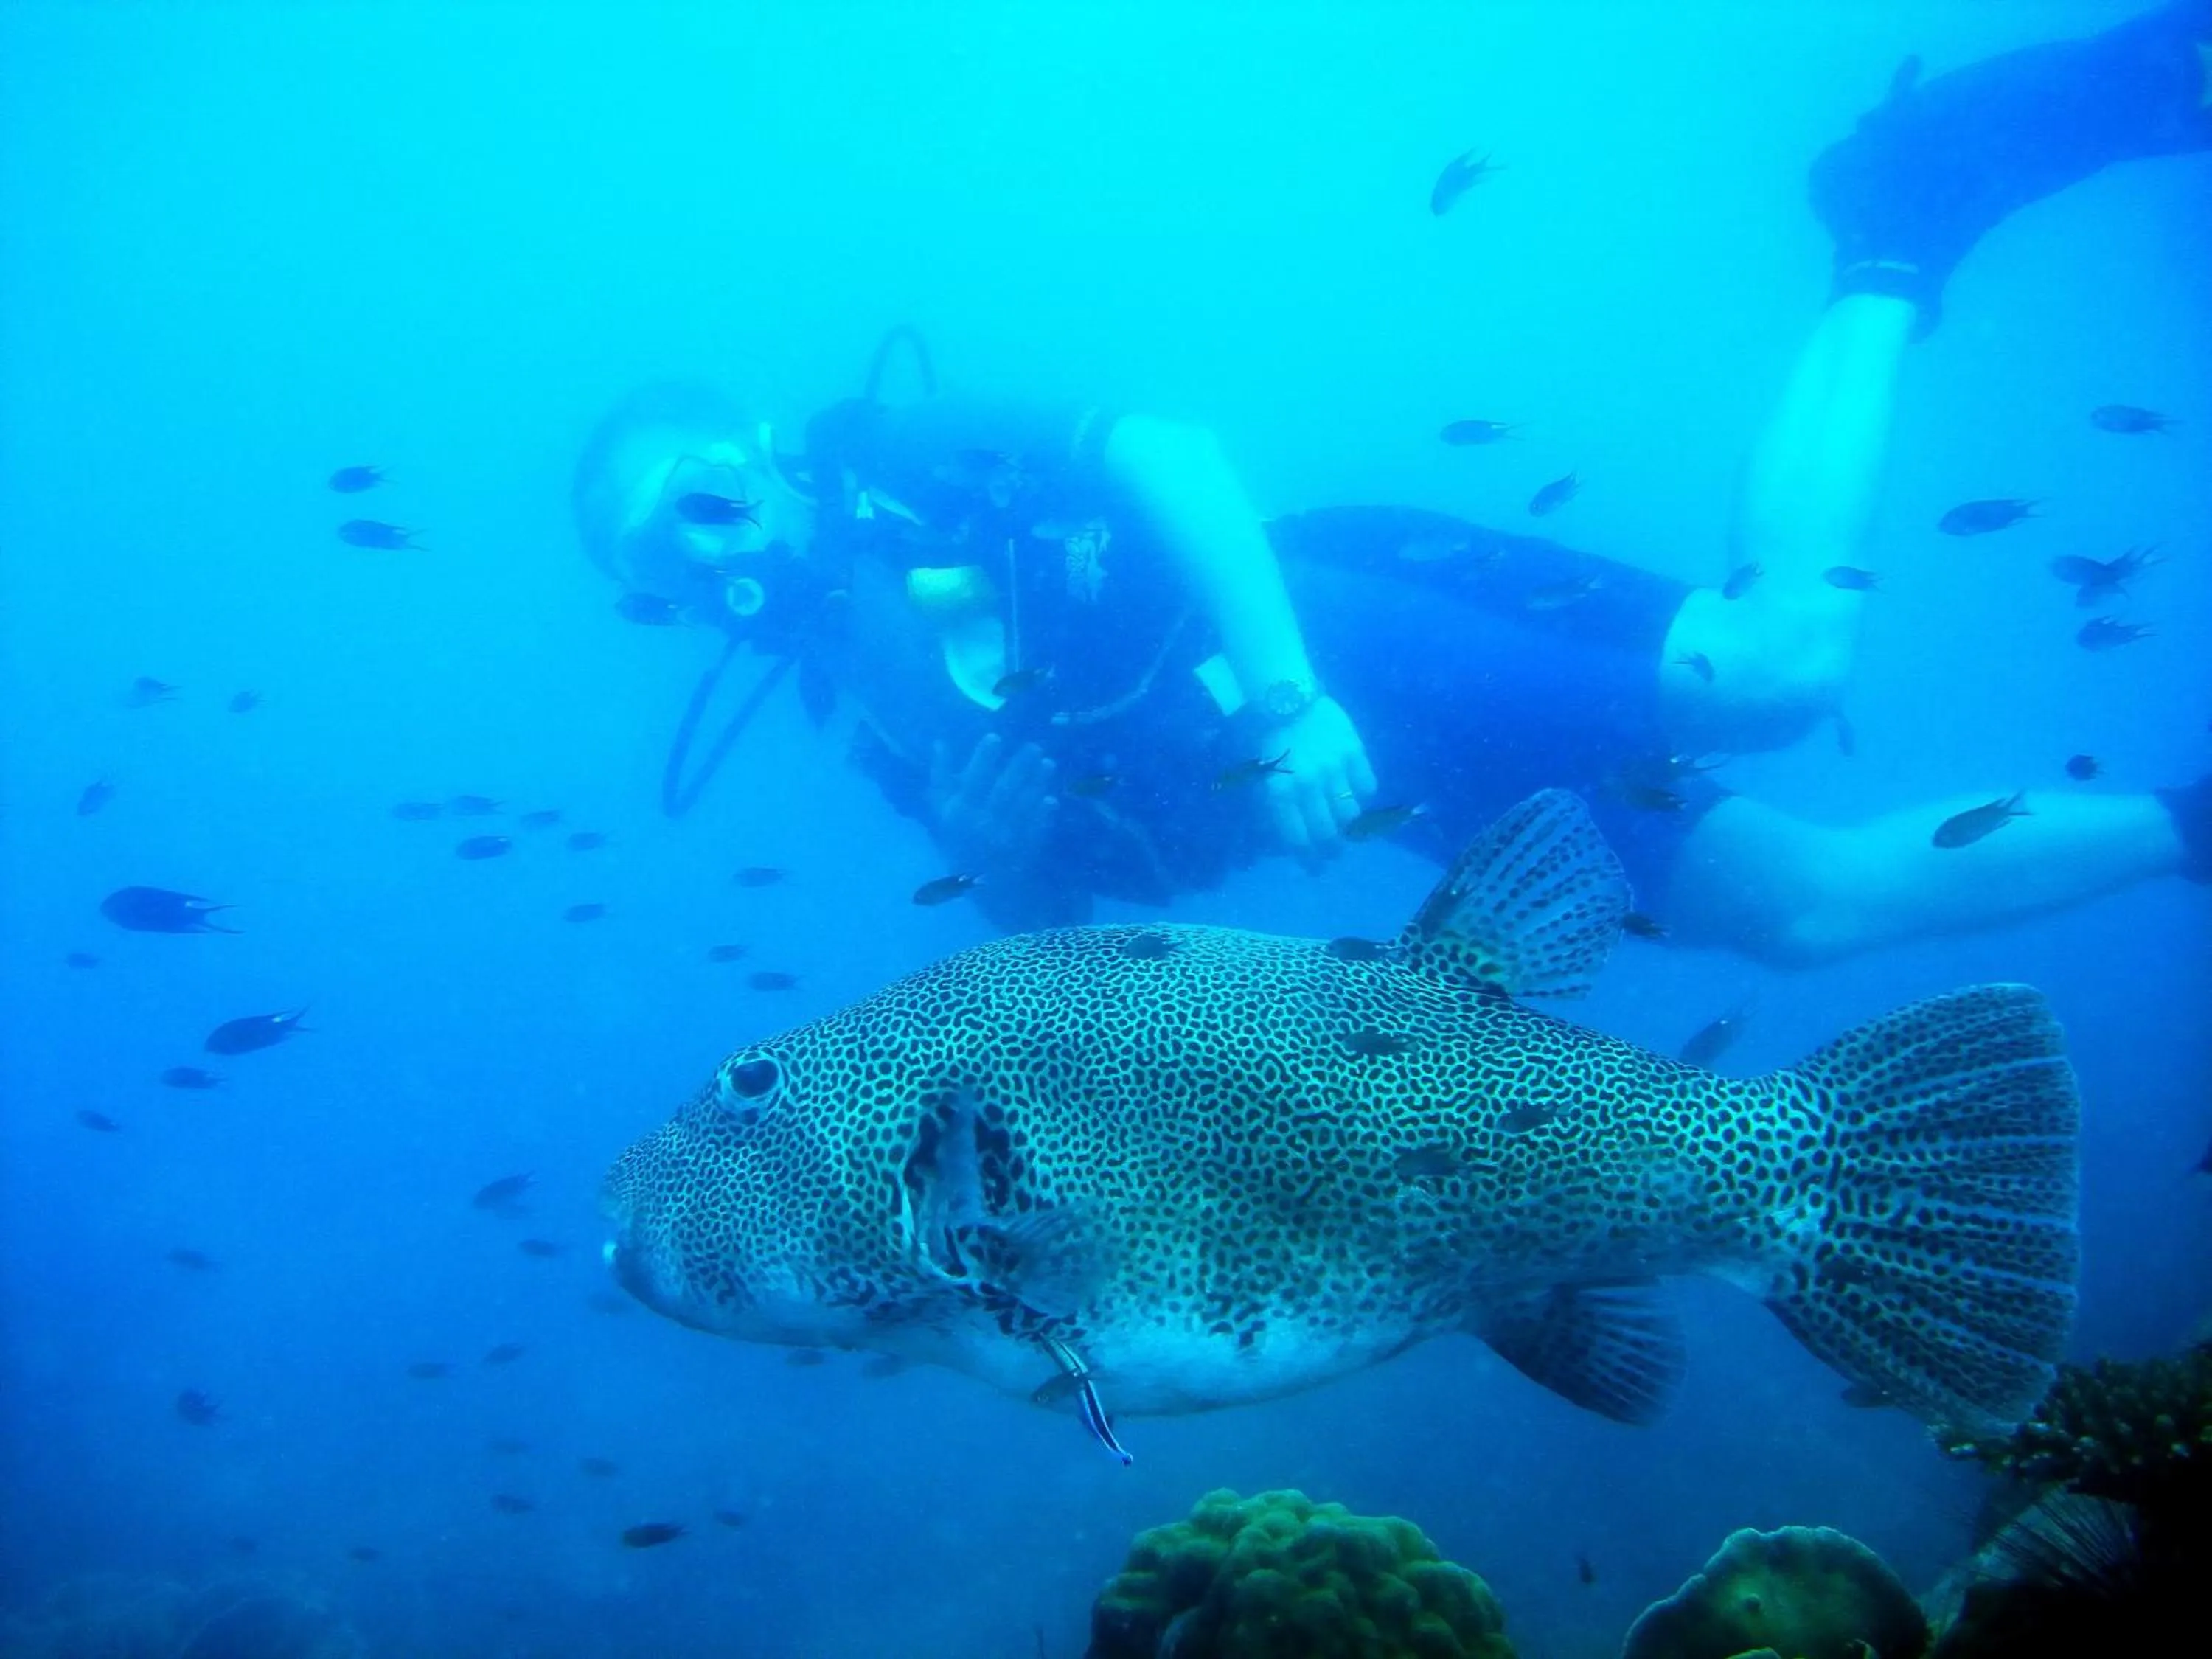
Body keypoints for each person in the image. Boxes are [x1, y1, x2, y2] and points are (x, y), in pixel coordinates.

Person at [574, 2, 2211, 962]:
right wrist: (995, 863)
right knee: (1810, 907)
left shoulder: (885, 453)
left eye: (685, 508)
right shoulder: (856, 713)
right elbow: (1090, 926)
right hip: (1389, 785)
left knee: (1776, 668)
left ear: (753, 457)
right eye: (649, 578)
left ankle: (1896, 216)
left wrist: (1287, 700)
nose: (693, 568)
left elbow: (1166, 448)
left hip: (1354, 627)